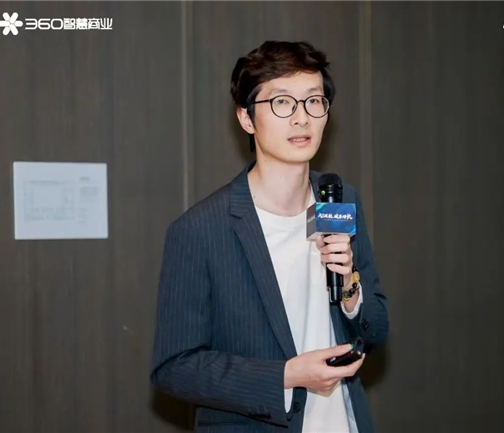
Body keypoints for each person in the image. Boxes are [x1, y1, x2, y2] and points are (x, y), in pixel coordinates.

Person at [150, 40, 389, 433]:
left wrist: (349, 286)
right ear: (246, 118)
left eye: (314, 101)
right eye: (282, 103)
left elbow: (375, 331)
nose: (302, 118)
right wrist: (286, 376)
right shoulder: (200, 230)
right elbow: (174, 368)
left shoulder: (339, 201)